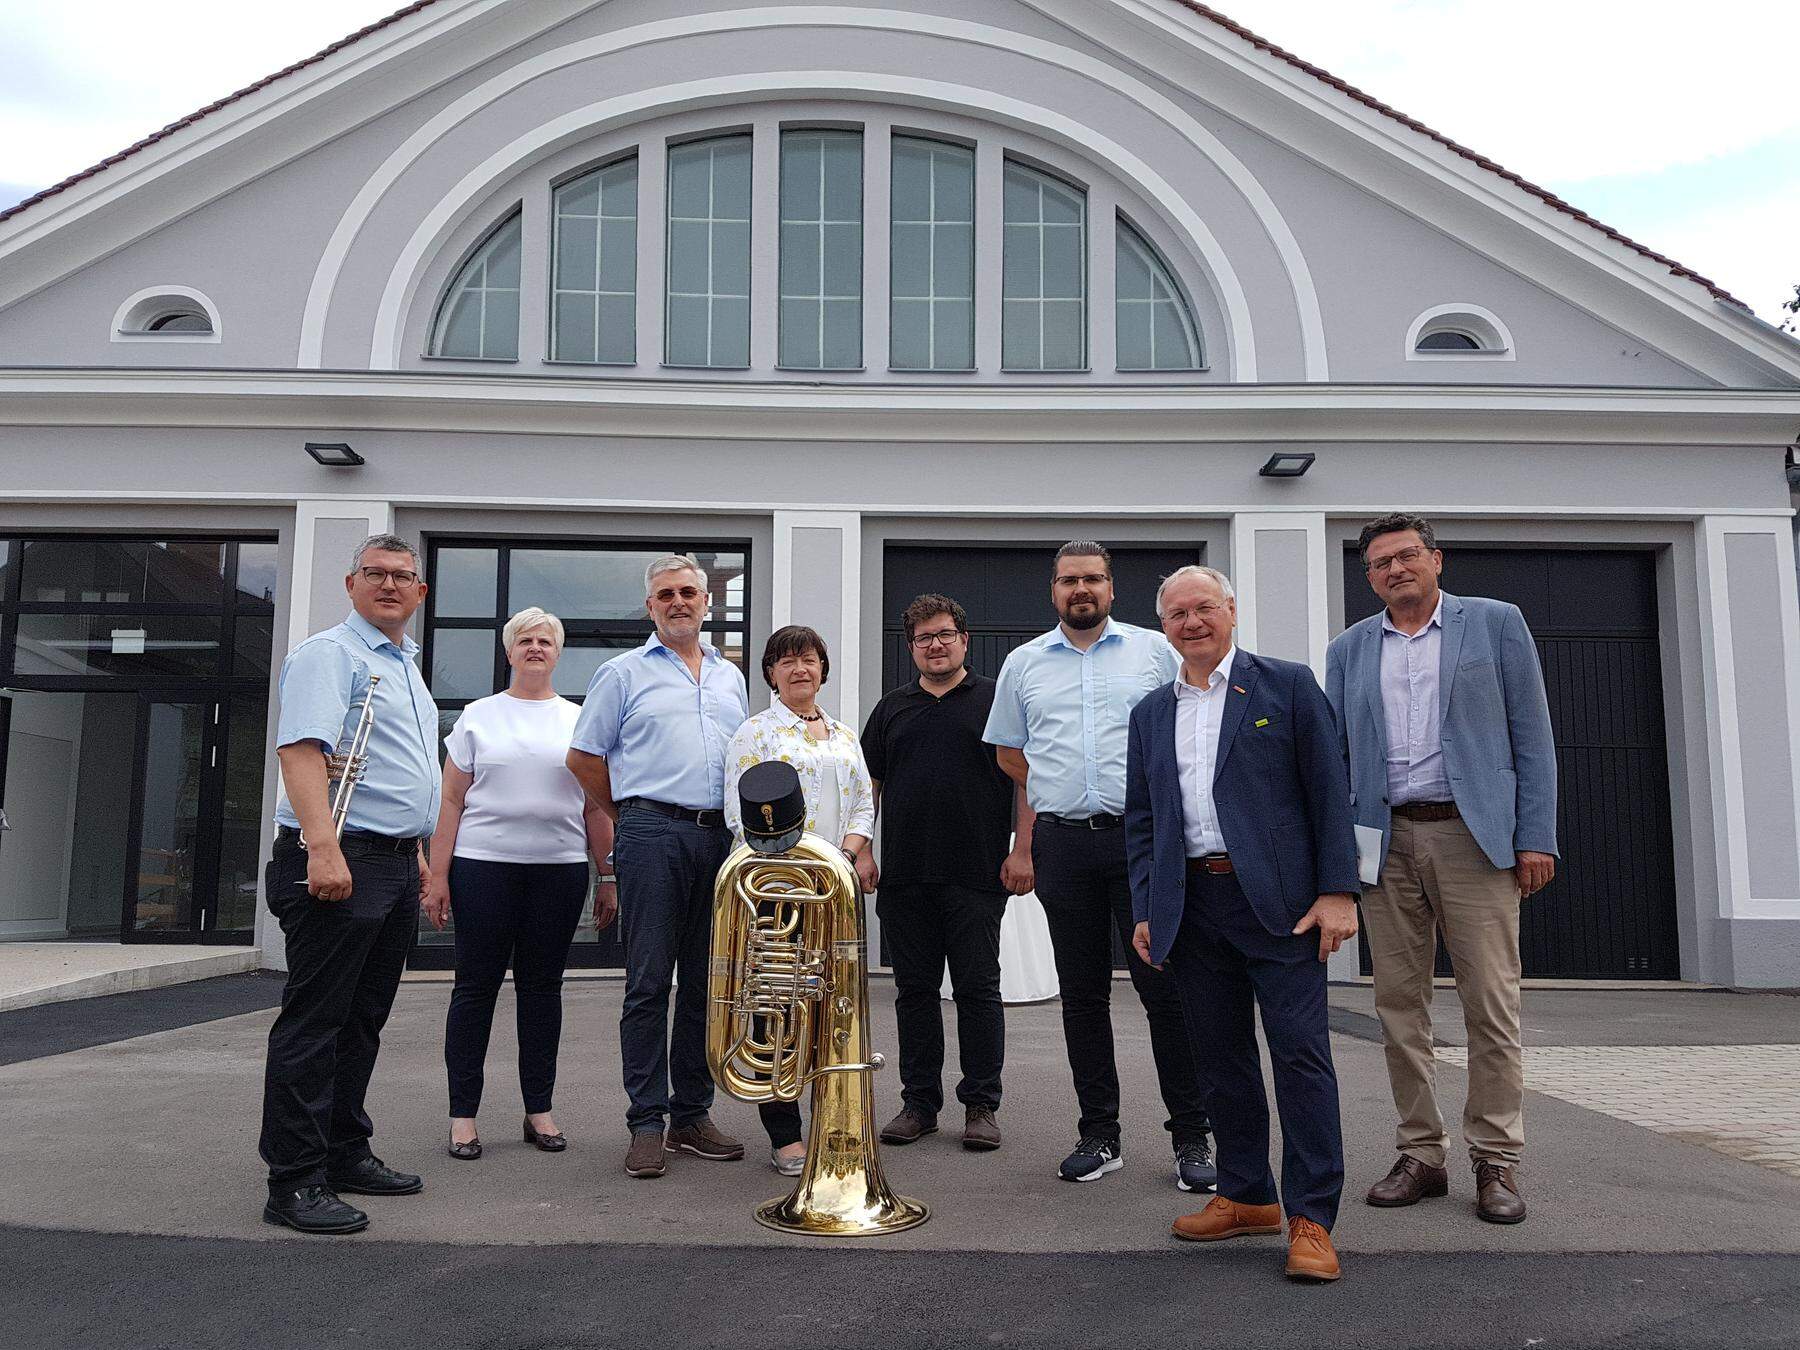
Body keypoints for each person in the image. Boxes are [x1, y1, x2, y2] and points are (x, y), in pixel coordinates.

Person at [1125, 564, 1360, 1283]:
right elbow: (1143, 821)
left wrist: (1339, 892)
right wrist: (1147, 907)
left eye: (1203, 608)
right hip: (1193, 909)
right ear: (1163, 627)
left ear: (1230, 610)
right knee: (1219, 1061)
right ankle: (1246, 1193)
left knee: (1299, 1058)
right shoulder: (1150, 712)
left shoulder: (1284, 686)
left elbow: (1329, 790)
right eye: (1176, 614)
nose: (1191, 623)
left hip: (1283, 910)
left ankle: (1312, 1217)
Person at [1326, 513, 1557, 1225]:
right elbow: (1336, 754)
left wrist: (1536, 835)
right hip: (1385, 840)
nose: (1394, 570)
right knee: (1399, 1008)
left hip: (1473, 836)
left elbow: (1532, 734)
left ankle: (1496, 1159)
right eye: (1380, 564)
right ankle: (1421, 1154)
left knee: (1491, 1005)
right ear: (1368, 577)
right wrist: (1338, 853)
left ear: (1435, 559)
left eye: (1406, 557)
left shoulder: (1494, 624)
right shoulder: (1350, 648)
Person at [984, 541, 1214, 1192]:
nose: (1079, 589)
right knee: (1082, 997)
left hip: (1141, 845)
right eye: (1067, 580)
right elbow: (1009, 754)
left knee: (1162, 990)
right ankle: (1099, 1133)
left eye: (1092, 579)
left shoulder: (1154, 652)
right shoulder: (1024, 664)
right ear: (1053, 591)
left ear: (1111, 589)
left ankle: (1193, 1135)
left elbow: (1196, 722)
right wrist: (1056, 786)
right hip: (1064, 846)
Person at [258, 533, 440, 1235]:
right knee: (315, 1023)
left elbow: (398, 767)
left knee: (361, 1020)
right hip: (340, 858)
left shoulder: (404, 667)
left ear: (420, 592)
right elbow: (303, 751)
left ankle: (342, 1151)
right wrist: (322, 849)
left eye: (402, 576)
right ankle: (294, 1181)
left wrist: (415, 851)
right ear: (351, 583)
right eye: (376, 574)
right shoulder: (331, 654)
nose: (390, 584)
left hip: (391, 862)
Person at [566, 554, 750, 1179]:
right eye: (666, 594)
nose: (678, 602)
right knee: (648, 982)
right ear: (651, 607)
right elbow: (583, 757)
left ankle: (691, 1116)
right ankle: (645, 1122)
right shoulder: (621, 673)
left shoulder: (731, 678)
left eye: (689, 592)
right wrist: (631, 812)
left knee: (705, 982)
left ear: (706, 602)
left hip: (716, 839)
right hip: (650, 831)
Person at [422, 608, 616, 1161]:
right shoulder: (478, 717)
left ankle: (539, 1110)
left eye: (545, 640)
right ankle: (463, 1116)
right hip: (483, 869)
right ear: (509, 653)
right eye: (525, 640)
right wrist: (438, 876)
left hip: (556, 873)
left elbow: (595, 808)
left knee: (541, 991)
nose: (535, 648)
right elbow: (452, 800)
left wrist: (607, 875)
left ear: (558, 653)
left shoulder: (579, 722)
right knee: (474, 990)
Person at [861, 594, 1028, 1153]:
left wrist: (1022, 849)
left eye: (944, 635)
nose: (935, 645)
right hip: (905, 877)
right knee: (914, 992)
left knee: (979, 991)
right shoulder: (891, 709)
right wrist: (862, 851)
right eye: (924, 638)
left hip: (977, 873)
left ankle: (981, 1105)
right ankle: (919, 1104)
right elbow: (869, 791)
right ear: (912, 649)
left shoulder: (995, 702)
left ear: (963, 640)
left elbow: (1026, 780)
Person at [723, 625, 876, 1175]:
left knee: (834, 1006)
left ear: (822, 668)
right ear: (770, 673)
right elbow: (739, 818)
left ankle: (834, 1122)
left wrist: (850, 853)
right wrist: (799, 869)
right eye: (786, 662)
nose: (799, 669)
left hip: (835, 892)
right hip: (780, 894)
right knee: (778, 1010)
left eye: (808, 659)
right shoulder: (755, 733)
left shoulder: (844, 734)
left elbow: (863, 802)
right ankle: (785, 1133)